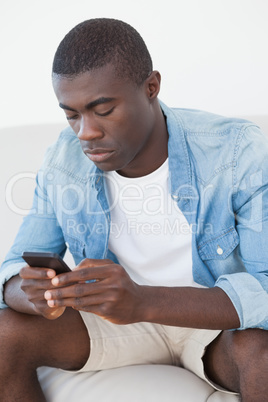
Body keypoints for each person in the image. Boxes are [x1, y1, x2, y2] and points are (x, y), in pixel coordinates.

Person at [0, 18, 267, 402]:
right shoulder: (64, 159)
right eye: (72, 114)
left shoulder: (235, 151)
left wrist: (143, 299)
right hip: (119, 323)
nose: (85, 132)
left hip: (212, 326)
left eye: (103, 109)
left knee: (262, 354)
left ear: (151, 87)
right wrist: (35, 294)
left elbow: (265, 287)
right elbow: (12, 270)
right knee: (6, 333)